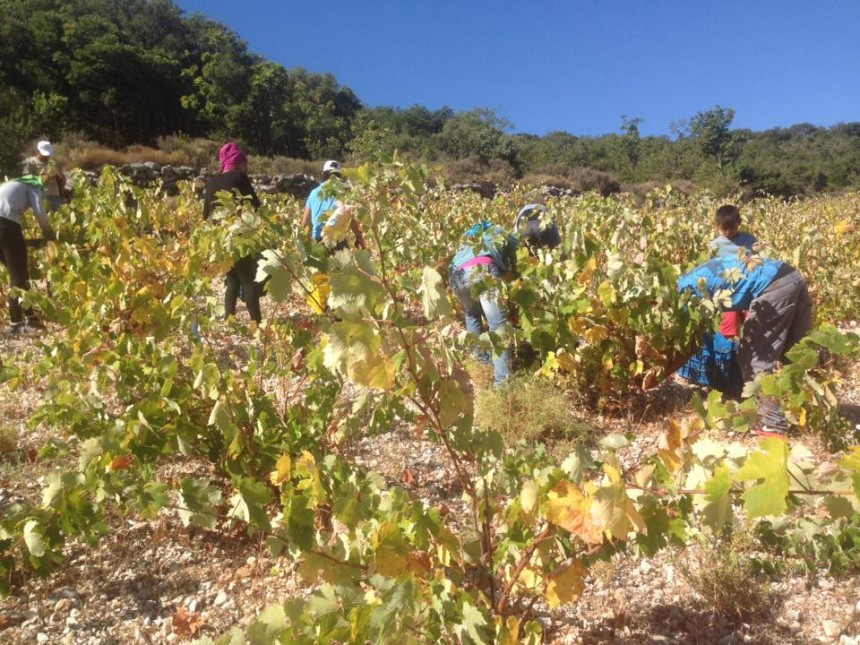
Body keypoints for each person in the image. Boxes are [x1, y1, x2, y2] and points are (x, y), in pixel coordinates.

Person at [678, 254, 813, 435]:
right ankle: (804, 413)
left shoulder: (683, 295)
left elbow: (688, 343)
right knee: (795, 354)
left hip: (773, 286)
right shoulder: (691, 277)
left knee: (753, 356)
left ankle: (773, 425)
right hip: (791, 276)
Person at [450, 221, 519, 387]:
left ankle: (482, 365)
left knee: (471, 314)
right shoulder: (498, 229)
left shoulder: (468, 238)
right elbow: (516, 257)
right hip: (483, 269)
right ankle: (502, 383)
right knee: (498, 326)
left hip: (456, 275)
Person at [203, 142, 263, 324]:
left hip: (220, 238)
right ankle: (257, 324)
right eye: (244, 164)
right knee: (248, 280)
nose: (246, 168)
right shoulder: (240, 178)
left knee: (232, 279)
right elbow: (256, 206)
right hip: (239, 236)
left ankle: (229, 319)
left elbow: (206, 214)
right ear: (237, 163)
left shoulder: (212, 181)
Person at [0, 176, 55, 333]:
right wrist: (49, 234)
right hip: (6, 226)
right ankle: (16, 324)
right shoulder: (33, 186)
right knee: (18, 277)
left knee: (19, 274)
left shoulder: (11, 184)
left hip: (4, 225)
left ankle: (30, 317)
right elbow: (39, 212)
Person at [301, 160, 363, 249]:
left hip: (318, 239)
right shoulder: (342, 191)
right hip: (336, 240)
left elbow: (304, 224)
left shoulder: (313, 193)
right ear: (339, 175)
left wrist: (307, 244)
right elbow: (349, 215)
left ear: (323, 174)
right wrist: (358, 236)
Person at [21, 141, 66, 213]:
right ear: (38, 151)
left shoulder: (53, 163)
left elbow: (61, 184)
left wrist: (61, 179)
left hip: (55, 196)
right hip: (39, 197)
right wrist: (45, 178)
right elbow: (26, 180)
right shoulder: (31, 163)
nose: (47, 156)